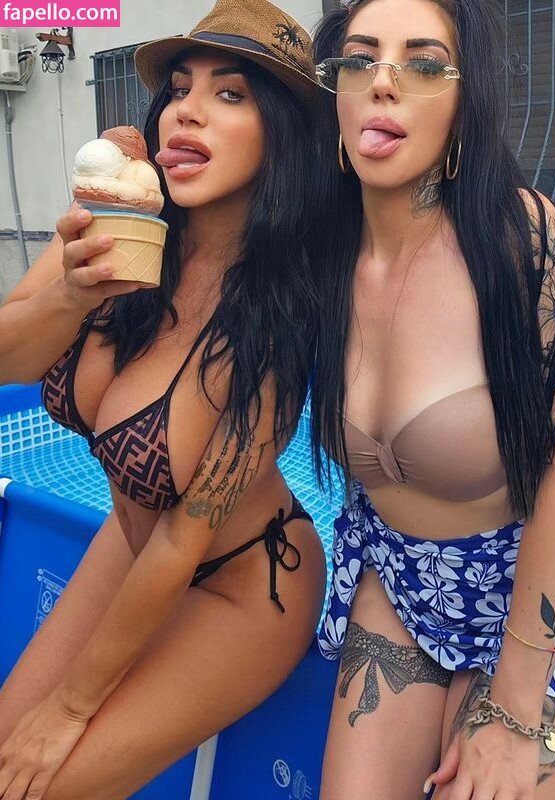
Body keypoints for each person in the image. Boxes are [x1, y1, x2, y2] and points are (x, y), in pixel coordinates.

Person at [0, 1, 326, 797]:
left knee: (37, 784)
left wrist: (69, 709)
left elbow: (184, 540)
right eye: (179, 88)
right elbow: (10, 359)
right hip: (130, 540)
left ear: (281, 134)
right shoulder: (115, 224)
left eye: (229, 93)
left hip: (245, 582)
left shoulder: (277, 312)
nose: (187, 109)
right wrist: (71, 296)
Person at [310, 0, 555, 798]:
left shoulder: (521, 237)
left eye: (422, 63)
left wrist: (512, 709)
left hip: (528, 594)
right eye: (359, 59)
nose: (382, 82)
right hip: (399, 580)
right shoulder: (318, 255)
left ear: (463, 99)